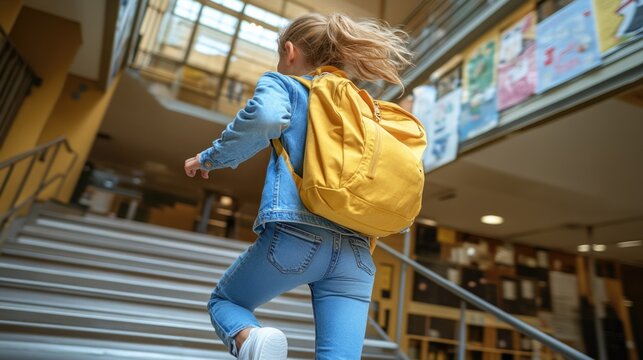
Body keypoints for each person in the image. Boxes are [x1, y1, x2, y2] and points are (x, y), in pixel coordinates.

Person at [184, 13, 412, 360]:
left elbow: (265, 118)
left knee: (227, 301)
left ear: (289, 52)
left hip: (298, 236)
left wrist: (210, 157)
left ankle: (253, 342)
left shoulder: (286, 85)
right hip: (358, 253)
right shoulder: (366, 110)